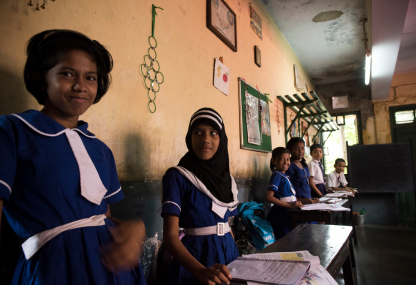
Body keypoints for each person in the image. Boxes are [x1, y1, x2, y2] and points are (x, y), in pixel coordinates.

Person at [0, 29, 147, 284]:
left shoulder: (100, 149)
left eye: (90, 77)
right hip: (54, 270)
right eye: (67, 74)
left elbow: (102, 217)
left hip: (112, 271)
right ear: (40, 77)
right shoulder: (13, 131)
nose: (80, 86)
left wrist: (134, 229)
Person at [161, 108, 239, 285]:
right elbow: (170, 237)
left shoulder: (227, 180)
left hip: (230, 256)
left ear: (222, 139)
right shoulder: (178, 176)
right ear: (190, 137)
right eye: (198, 132)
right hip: (195, 260)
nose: (205, 139)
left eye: (213, 133)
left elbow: (227, 225)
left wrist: (237, 259)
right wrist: (200, 271)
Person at [265, 147, 304, 239]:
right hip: (280, 213)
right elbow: (269, 197)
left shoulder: (285, 176)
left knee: (290, 238)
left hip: (288, 211)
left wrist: (301, 201)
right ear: (274, 161)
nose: (286, 162)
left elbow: (288, 196)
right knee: (284, 239)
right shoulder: (277, 176)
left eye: (288, 159)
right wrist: (289, 206)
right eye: (281, 159)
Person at [286, 137, 317, 204]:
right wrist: (300, 200)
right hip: (295, 204)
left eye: (302, 148)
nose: (300, 151)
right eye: (297, 148)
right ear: (289, 150)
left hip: (307, 202)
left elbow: (306, 185)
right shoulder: (288, 166)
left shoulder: (304, 165)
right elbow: (286, 188)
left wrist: (311, 198)